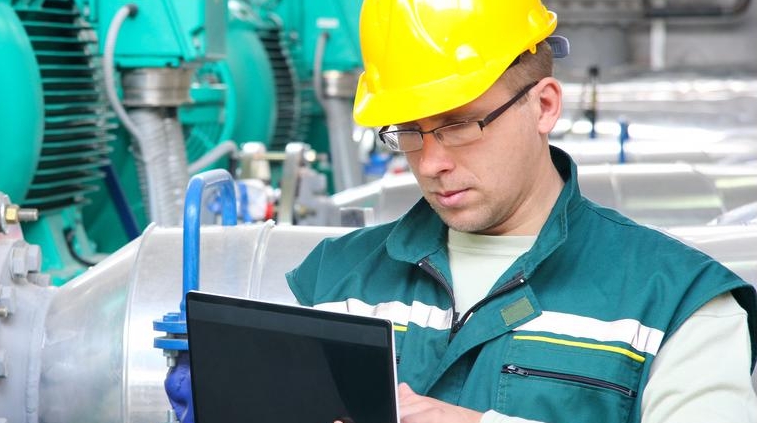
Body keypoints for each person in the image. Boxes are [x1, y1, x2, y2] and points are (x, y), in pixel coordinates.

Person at [285, 1, 757, 423]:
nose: (430, 163)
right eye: (409, 131)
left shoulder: (675, 301)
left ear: (544, 106)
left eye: (460, 125)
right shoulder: (335, 280)